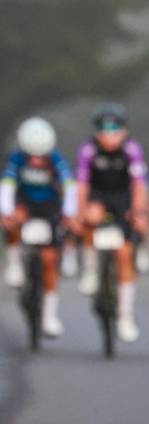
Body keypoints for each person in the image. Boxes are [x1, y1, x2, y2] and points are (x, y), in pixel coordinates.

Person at [75, 103, 149, 342]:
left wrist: (138, 212)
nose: (109, 135)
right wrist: (79, 211)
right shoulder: (88, 150)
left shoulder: (132, 149)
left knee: (124, 254)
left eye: (114, 129)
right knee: (91, 218)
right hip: (97, 196)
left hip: (123, 199)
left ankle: (125, 315)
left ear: (124, 130)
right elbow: (81, 184)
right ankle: (90, 270)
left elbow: (139, 183)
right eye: (104, 129)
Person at [1, 117, 78, 337]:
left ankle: (49, 316)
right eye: (31, 156)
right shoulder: (15, 159)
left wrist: (69, 213)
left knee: (49, 260)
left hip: (49, 209)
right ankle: (14, 263)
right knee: (14, 221)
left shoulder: (56, 160)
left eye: (40, 156)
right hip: (24, 205)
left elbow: (69, 187)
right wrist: (6, 212)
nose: (36, 160)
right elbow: (7, 187)